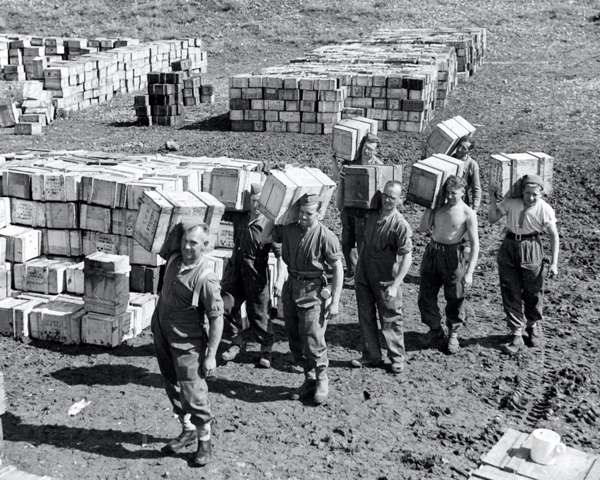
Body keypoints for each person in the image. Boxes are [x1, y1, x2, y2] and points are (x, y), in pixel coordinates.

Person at [260, 193, 343, 405]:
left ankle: (322, 379)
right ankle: (309, 378)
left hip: (314, 290)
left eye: (309, 213)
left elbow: (338, 268)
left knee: (313, 337)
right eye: (301, 213)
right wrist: (274, 213)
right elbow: (264, 237)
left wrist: (334, 301)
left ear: (318, 213)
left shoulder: (326, 236)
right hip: (291, 286)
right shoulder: (289, 229)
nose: (304, 217)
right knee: (294, 335)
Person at [152, 223, 223, 467]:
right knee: (171, 384)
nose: (187, 246)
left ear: (205, 245)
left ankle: (204, 441)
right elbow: (168, 231)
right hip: (162, 330)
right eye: (184, 240)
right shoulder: (173, 258)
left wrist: (211, 355)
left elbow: (216, 319)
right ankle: (187, 429)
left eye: (194, 242)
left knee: (193, 392)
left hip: (187, 342)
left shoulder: (206, 277)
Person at [488, 174, 559, 347]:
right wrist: (492, 199)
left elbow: (553, 236)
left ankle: (533, 326)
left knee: (533, 290)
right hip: (510, 246)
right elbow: (492, 218)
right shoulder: (512, 202)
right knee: (510, 290)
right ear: (522, 192)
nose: (531, 197)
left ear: (541, 193)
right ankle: (516, 332)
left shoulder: (544, 209)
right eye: (527, 193)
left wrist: (554, 263)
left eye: (535, 194)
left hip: (531, 246)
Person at [220, 183, 285, 368]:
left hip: (256, 273)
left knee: (258, 313)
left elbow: (281, 255)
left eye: (259, 202)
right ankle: (236, 341)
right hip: (235, 270)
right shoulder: (240, 216)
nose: (256, 206)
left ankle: (266, 348)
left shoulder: (269, 224)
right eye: (253, 201)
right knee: (225, 306)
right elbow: (221, 208)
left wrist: (280, 279)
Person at [352, 180, 413, 374]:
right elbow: (349, 204)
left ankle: (396, 357)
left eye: (392, 197)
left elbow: (407, 258)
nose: (388, 200)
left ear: (399, 200)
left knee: (391, 317)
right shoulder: (371, 215)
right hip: (364, 273)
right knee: (365, 316)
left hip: (386, 277)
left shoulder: (400, 225)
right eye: (385, 195)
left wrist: (396, 284)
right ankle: (371, 355)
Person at [418, 175, 480, 354]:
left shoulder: (468, 213)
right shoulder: (438, 207)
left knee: (455, 296)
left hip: (453, 256)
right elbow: (422, 228)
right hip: (432, 253)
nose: (450, 196)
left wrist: (469, 273)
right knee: (426, 294)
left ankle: (453, 333)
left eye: (454, 193)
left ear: (463, 192)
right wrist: (430, 208)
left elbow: (475, 244)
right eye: (448, 192)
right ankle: (435, 329)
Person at [331, 133, 382, 285]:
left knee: (362, 242)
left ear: (376, 152)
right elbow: (337, 177)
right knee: (347, 241)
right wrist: (334, 161)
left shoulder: (378, 167)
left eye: (371, 149)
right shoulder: (352, 162)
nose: (367, 152)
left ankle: (361, 274)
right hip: (348, 206)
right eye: (365, 148)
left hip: (364, 212)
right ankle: (351, 271)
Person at [452, 138, 482, 212]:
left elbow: (476, 188)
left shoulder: (472, 165)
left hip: (461, 201)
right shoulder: (449, 158)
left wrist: (475, 209)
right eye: (459, 145)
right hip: (446, 199)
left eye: (463, 148)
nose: (459, 149)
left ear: (469, 151)